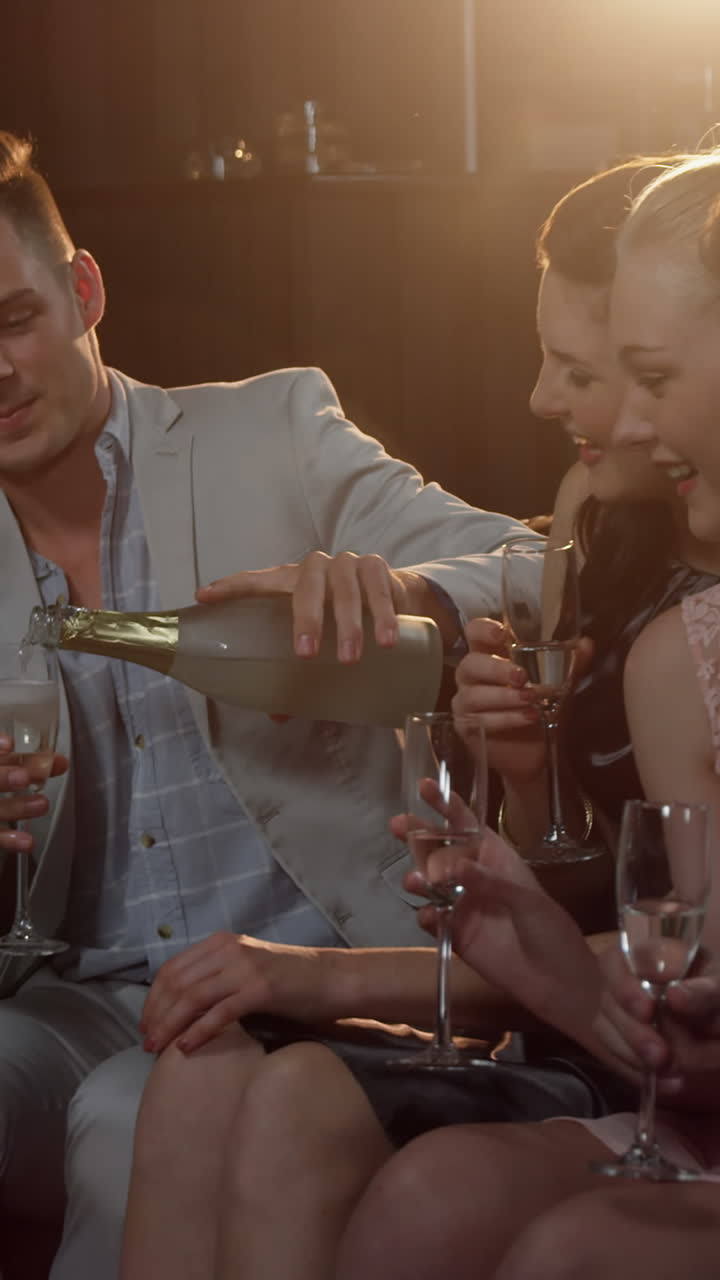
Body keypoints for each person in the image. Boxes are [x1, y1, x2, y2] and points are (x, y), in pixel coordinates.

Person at [117, 157, 720, 1280]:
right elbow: (609, 884)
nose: (547, 399)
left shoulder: (682, 648)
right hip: (593, 1025)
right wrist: (533, 781)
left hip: (611, 1048)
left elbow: (669, 969)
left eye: (605, 369)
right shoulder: (598, 530)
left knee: (323, 1111)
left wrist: (327, 975)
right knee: (205, 1077)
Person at [0, 128, 537, 1280]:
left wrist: (398, 589)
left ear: (84, 290)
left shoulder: (273, 431)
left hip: (318, 981)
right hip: (72, 999)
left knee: (128, 1121)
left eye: (13, 320)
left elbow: (541, 565)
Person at [334, 146, 720, 1280]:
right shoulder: (664, 640)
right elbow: (690, 1019)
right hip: (676, 1100)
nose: (629, 425)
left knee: (569, 1247)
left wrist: (321, 975)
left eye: (641, 374)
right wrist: (527, 915)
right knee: (426, 1198)